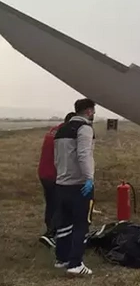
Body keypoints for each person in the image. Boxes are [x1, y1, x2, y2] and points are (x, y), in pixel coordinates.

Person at [53, 98, 96, 275]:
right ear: (88, 111)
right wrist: (89, 178)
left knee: (64, 223)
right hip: (79, 185)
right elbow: (84, 154)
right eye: (93, 110)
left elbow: (57, 158)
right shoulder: (84, 128)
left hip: (62, 183)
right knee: (81, 224)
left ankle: (61, 259)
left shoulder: (61, 129)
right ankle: (76, 264)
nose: (93, 113)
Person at [38, 112, 75, 248]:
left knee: (51, 202)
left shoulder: (54, 130)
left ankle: (50, 229)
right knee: (59, 204)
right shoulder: (64, 135)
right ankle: (51, 234)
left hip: (43, 172)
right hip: (54, 175)